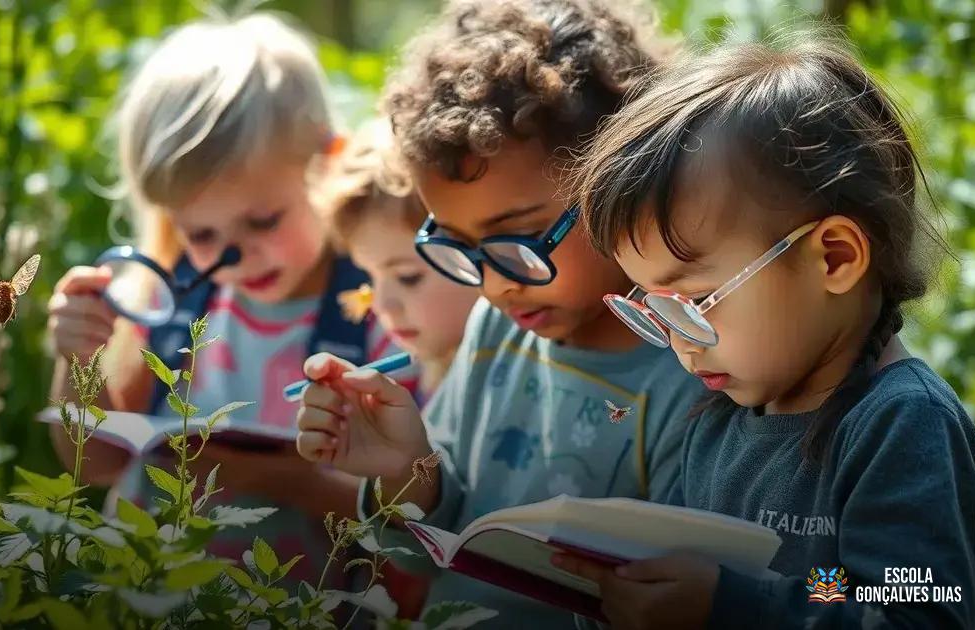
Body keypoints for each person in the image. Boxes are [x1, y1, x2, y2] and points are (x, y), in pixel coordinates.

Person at [294, 1, 704, 627]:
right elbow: (435, 558)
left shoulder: (703, 371)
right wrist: (407, 470)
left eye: (517, 241)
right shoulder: (497, 332)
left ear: (627, 178)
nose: (491, 287)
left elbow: (870, 588)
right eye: (457, 246)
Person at [561, 29, 975, 629]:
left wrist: (728, 606)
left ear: (834, 258)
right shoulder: (720, 421)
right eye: (653, 309)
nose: (680, 343)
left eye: (697, 300)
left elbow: (917, 612)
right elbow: (825, 585)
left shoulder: (902, 426)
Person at [46, 14, 396, 585]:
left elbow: (405, 516)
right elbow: (99, 464)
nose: (233, 256)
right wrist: (78, 359)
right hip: (145, 595)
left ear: (328, 163)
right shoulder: (174, 302)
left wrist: (278, 479)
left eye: (262, 221)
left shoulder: (377, 307)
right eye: (202, 234)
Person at [316, 120, 480, 400]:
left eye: (408, 277)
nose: (381, 306)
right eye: (370, 277)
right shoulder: (429, 372)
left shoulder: (503, 380)